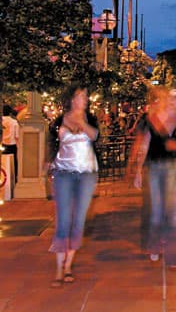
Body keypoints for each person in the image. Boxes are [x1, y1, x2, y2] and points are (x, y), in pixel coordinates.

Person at [126, 86, 176, 269]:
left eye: (166, 99)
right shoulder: (148, 120)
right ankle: (154, 246)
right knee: (156, 211)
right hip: (153, 168)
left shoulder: (175, 120)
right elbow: (142, 144)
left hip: (171, 169)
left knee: (171, 214)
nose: (164, 101)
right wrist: (137, 169)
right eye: (162, 98)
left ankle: (171, 255)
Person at [46, 84, 100, 287]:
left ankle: (69, 264)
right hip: (63, 174)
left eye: (85, 96)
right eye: (80, 96)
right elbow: (52, 142)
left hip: (86, 174)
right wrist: (47, 163)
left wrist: (81, 121)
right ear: (71, 99)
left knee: (78, 221)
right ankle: (59, 269)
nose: (84, 100)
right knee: (63, 220)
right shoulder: (59, 120)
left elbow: (95, 136)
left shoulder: (90, 119)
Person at [2, 105, 19, 180]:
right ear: (10, 112)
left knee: (2, 162)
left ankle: (3, 177)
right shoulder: (14, 122)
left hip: (2, 145)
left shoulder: (1, 121)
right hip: (12, 145)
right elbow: (17, 136)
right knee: (14, 163)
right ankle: (13, 178)